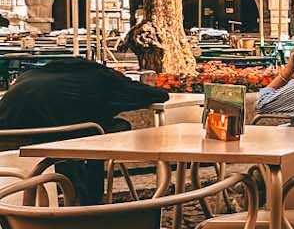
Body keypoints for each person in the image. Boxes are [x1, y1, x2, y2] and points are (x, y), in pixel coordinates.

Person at [0, 56, 169, 203]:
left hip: (12, 144)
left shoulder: (30, 76)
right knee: (107, 131)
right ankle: (92, 197)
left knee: (92, 131)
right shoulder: (99, 78)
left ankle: (84, 194)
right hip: (59, 144)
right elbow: (158, 95)